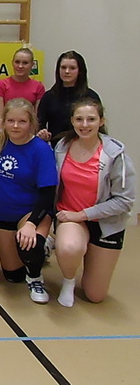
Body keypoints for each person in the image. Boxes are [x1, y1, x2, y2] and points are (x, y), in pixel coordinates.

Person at [53, 99, 135, 307]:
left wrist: (84, 214)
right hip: (70, 217)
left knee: (95, 295)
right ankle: (69, 280)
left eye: (91, 119)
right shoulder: (62, 147)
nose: (84, 125)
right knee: (69, 247)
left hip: (106, 223)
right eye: (79, 119)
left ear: (101, 121)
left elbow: (124, 201)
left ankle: (91, 255)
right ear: (72, 121)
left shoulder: (115, 154)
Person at [0, 98, 58, 303]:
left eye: (22, 121)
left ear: (31, 122)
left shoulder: (40, 150)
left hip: (31, 212)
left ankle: (35, 276)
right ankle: (39, 247)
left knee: (30, 245)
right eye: (11, 121)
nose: (15, 126)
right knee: (13, 276)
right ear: (4, 121)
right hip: (4, 214)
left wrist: (32, 223)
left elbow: (48, 194)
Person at [37, 50, 101, 145]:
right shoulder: (48, 97)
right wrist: (43, 134)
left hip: (85, 147)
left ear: (80, 71)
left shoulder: (91, 97)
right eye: (63, 67)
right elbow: (39, 124)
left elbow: (99, 127)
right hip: (56, 148)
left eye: (72, 68)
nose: (67, 71)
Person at [0, 47, 45, 128]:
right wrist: (3, 134)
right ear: (12, 63)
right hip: (5, 132)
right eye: (17, 62)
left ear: (32, 65)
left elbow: (36, 118)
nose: (20, 66)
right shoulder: (1, 85)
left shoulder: (38, 87)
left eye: (25, 63)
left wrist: (30, 135)